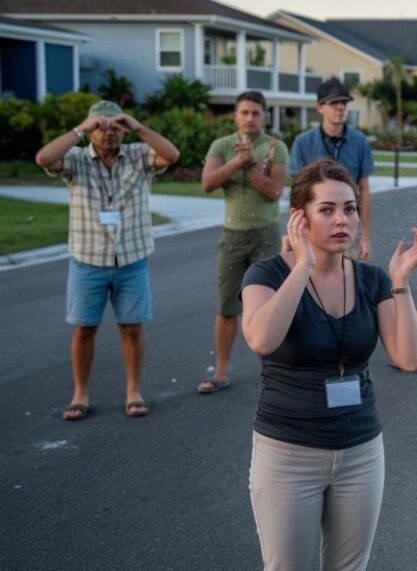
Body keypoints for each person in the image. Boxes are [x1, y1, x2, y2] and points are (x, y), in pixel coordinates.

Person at [240, 158, 417, 571]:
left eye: (350, 208)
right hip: (288, 453)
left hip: (361, 451)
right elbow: (262, 339)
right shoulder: (264, 275)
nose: (342, 220)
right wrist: (302, 265)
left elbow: (409, 357)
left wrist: (402, 283)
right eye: (327, 210)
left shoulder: (371, 280)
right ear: (299, 217)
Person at [34, 100, 179, 420]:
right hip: (88, 260)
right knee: (84, 329)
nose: (109, 132)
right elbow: (44, 158)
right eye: (101, 126)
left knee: (132, 328)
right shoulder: (74, 159)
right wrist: (81, 129)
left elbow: (172, 155)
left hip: (131, 259)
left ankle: (133, 391)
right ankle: (80, 392)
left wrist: (138, 127)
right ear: (90, 130)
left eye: (116, 126)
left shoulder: (140, 156)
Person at [196, 91, 289, 394]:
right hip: (232, 235)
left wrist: (248, 166)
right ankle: (220, 371)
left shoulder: (275, 147)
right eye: (244, 113)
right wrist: (238, 161)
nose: (250, 118)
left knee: (272, 305)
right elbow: (208, 183)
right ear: (235, 116)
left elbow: (275, 191)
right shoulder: (221, 146)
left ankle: (279, 372)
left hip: (266, 233)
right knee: (226, 306)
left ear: (265, 116)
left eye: (256, 113)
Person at [289, 79, 375, 260]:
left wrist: (365, 236)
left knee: (350, 281)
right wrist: (296, 232)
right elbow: (296, 193)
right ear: (319, 107)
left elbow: (364, 190)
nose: (340, 107)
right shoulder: (303, 142)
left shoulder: (360, 142)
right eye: (334, 103)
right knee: (310, 281)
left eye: (344, 102)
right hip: (313, 228)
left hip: (347, 226)